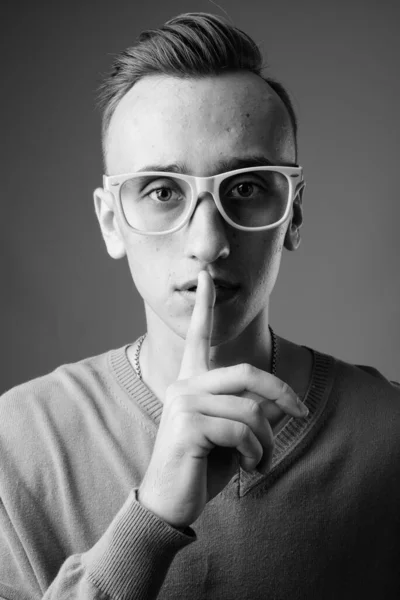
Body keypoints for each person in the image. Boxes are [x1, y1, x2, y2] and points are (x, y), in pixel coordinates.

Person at [0, 11, 399, 600]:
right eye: (162, 192)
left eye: (246, 188)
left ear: (294, 213)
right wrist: (153, 515)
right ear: (112, 222)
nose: (208, 243)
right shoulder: (17, 445)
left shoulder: (388, 436)